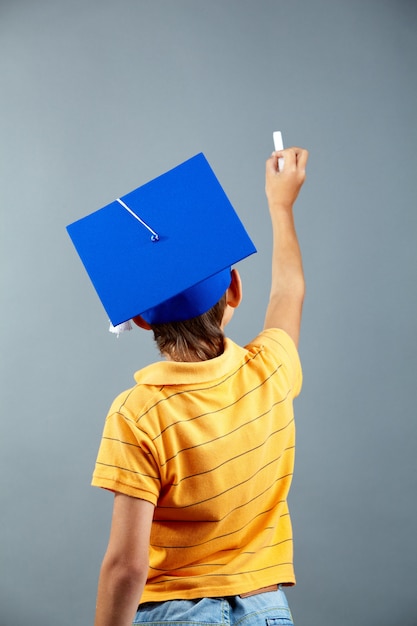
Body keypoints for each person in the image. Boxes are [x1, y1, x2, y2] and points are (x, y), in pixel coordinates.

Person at [85, 146, 308, 626]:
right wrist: (280, 205)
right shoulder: (270, 369)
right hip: (268, 610)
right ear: (234, 290)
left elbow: (127, 566)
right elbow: (289, 292)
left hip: (175, 612)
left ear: (142, 320)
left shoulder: (138, 413)